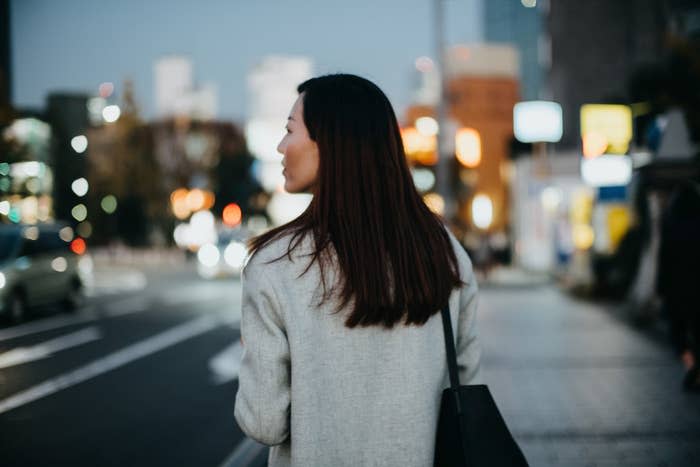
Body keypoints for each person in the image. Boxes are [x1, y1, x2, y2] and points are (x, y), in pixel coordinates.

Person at [234, 74, 481, 466]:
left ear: (329, 143)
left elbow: (264, 423)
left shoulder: (276, 265)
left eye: (289, 130)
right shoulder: (443, 253)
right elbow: (464, 385)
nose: (281, 147)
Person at [657, 179, 700, 392]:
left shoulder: (670, 221)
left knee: (678, 333)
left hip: (676, 288)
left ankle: (690, 364)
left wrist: (661, 287)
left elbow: (664, 258)